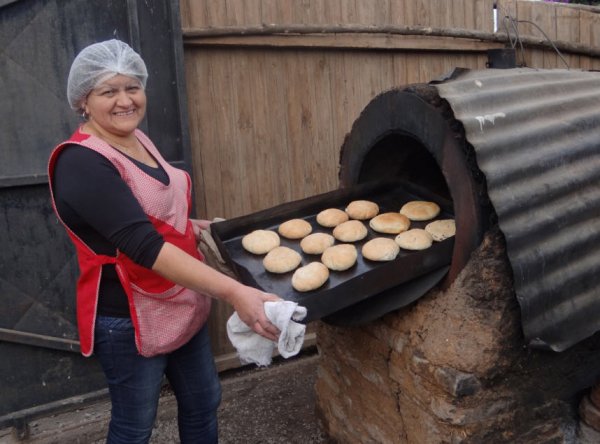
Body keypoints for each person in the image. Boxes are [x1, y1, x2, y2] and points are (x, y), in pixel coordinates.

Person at [47, 39, 281, 444]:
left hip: (180, 300)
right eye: (109, 91)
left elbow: (154, 216)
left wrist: (208, 228)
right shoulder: (81, 162)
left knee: (204, 401)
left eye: (132, 87)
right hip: (129, 318)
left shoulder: (139, 141)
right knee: (135, 426)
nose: (125, 100)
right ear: (84, 101)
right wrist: (236, 292)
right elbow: (141, 242)